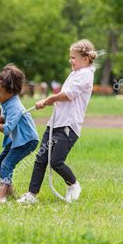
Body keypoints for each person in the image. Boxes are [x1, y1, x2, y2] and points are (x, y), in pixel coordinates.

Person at [18, 39, 98, 204]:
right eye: (70, 57)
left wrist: (48, 100)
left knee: (55, 161)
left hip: (68, 126)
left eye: (73, 57)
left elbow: (68, 94)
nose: (70, 60)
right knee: (40, 159)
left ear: (85, 59)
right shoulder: (75, 72)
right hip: (55, 124)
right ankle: (31, 195)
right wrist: (50, 101)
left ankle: (74, 185)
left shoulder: (86, 74)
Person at [0, 64, 39, 203]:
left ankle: (0, 198)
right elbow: (7, 120)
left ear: (11, 92)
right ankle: (9, 192)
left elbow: (7, 129)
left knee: (6, 164)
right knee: (0, 162)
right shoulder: (7, 102)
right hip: (17, 139)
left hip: (27, 140)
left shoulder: (14, 105)